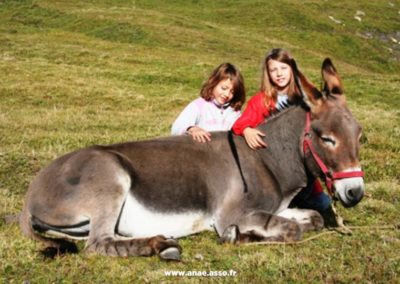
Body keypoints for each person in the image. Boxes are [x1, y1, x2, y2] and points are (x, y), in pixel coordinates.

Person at [232, 48, 331, 213]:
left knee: (323, 204)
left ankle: (302, 196)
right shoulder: (261, 100)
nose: (279, 74)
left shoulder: (305, 97)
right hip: (274, 166)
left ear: (292, 69)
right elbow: (238, 124)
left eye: (283, 68)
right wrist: (247, 130)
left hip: (302, 165)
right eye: (273, 70)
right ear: (268, 74)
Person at [171, 62, 245, 142]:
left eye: (232, 92)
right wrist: (192, 129)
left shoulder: (234, 111)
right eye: (224, 88)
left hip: (224, 152)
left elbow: (241, 129)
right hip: (201, 151)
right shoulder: (199, 105)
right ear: (214, 83)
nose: (227, 94)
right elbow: (176, 128)